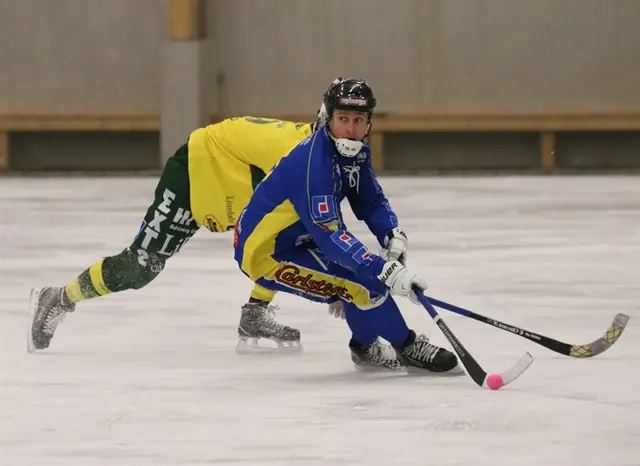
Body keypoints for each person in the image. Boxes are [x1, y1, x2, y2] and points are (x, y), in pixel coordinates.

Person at [27, 115, 317, 354]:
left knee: (292, 232)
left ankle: (255, 311)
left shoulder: (320, 160)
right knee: (139, 267)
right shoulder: (295, 152)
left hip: (227, 190)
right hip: (195, 172)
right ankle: (60, 297)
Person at [233, 77, 459, 372]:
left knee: (358, 280)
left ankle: (364, 348)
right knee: (368, 284)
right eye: (343, 119)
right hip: (266, 253)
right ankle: (408, 347)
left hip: (299, 237)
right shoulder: (313, 164)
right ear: (328, 118)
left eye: (358, 120)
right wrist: (381, 269)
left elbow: (370, 201)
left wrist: (391, 234)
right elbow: (329, 234)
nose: (351, 130)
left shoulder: (354, 152)